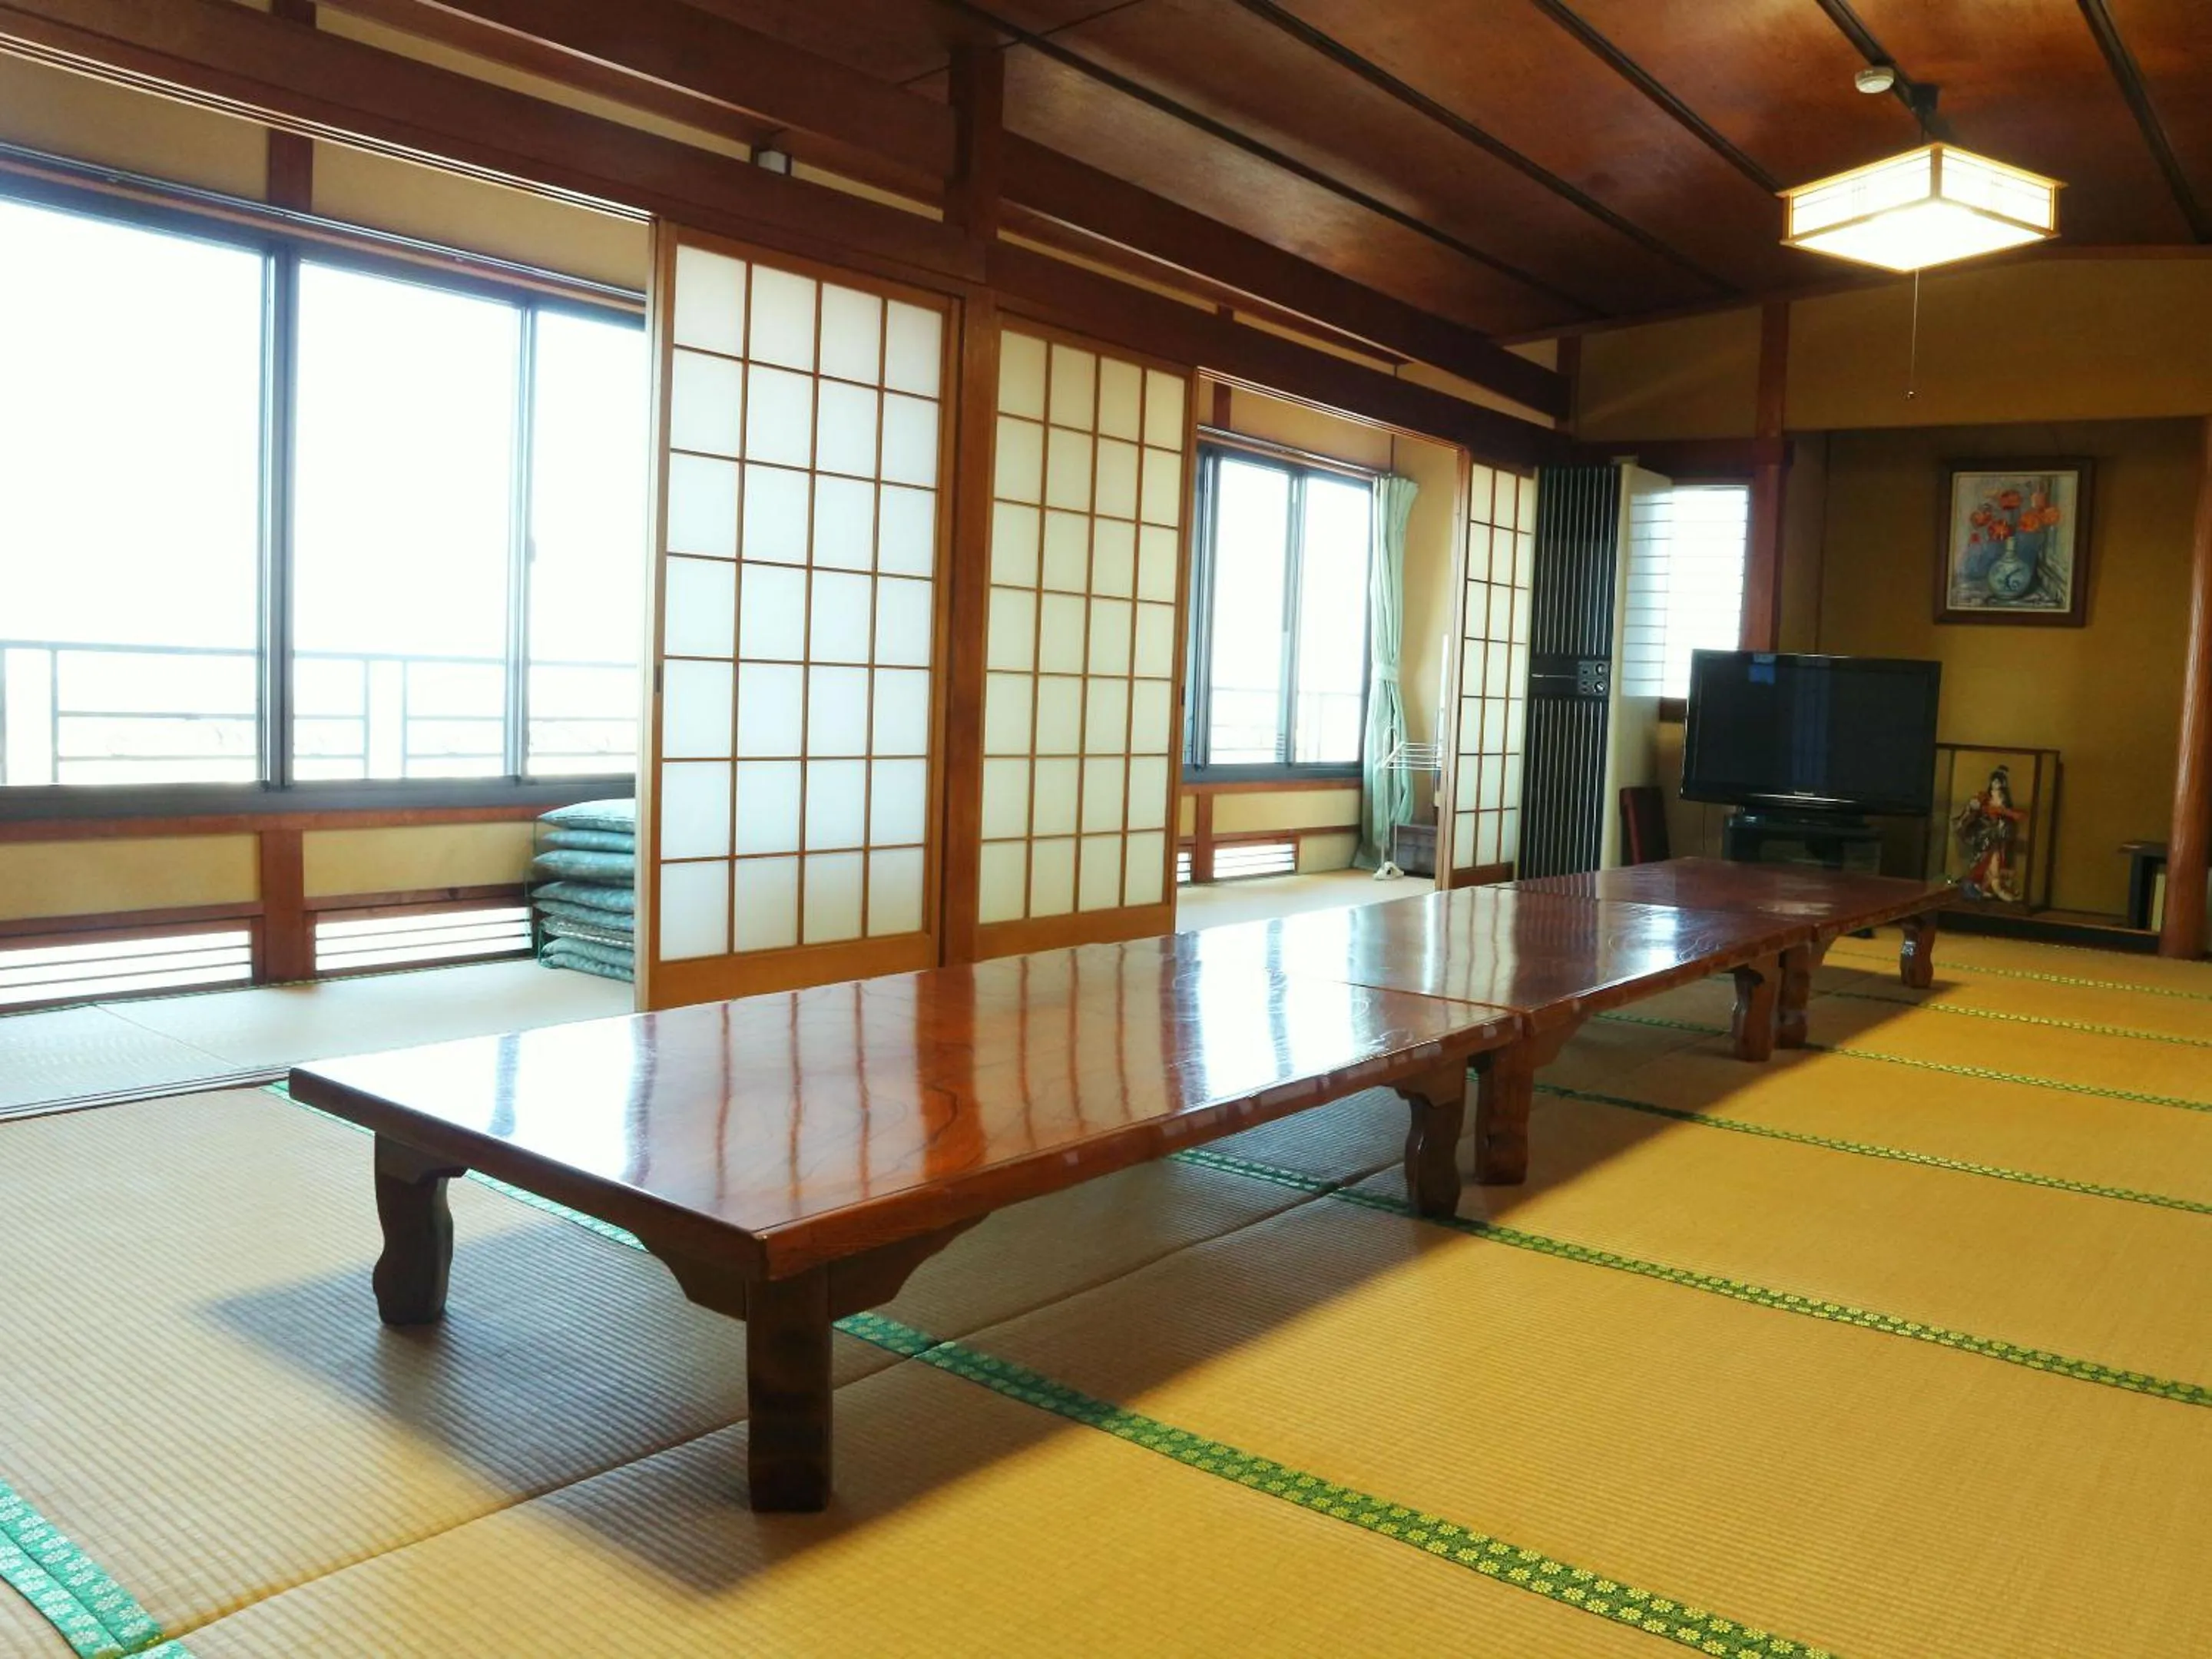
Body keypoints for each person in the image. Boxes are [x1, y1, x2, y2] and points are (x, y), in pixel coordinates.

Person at [1952, 766, 2027, 903]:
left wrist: (2006, 815)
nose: (1996, 784)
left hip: (1998, 837)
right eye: (1995, 781)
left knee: (1997, 861)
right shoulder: (1983, 797)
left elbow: (2011, 816)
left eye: (1999, 782)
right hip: (1984, 835)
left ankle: (1990, 887)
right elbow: (1974, 810)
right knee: (1983, 860)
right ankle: (1984, 886)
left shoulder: (2004, 799)